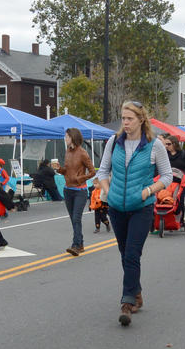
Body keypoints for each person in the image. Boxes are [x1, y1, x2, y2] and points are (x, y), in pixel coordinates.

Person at [96, 100, 172, 326]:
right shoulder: (113, 142)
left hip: (141, 208)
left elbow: (167, 176)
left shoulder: (153, 145)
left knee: (131, 253)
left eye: (129, 118)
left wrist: (147, 191)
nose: (125, 123)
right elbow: (102, 171)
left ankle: (127, 302)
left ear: (141, 120)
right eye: (123, 118)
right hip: (117, 208)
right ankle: (136, 292)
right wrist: (107, 191)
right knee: (125, 254)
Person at [57, 127, 96, 256]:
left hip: (80, 190)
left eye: (66, 136)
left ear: (72, 137)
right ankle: (80, 243)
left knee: (76, 218)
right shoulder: (68, 151)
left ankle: (76, 245)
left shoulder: (83, 153)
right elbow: (68, 171)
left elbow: (92, 172)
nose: (65, 138)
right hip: (68, 190)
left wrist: (80, 178)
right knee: (73, 219)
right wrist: (59, 169)